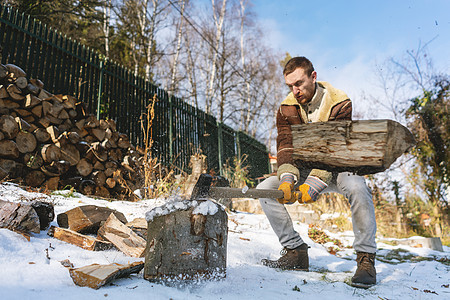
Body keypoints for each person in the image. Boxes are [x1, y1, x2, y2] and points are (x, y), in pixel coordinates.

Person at [257, 56, 377, 289]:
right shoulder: (285, 108)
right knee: (265, 190)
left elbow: (332, 148)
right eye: (290, 85)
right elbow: (286, 147)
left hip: (339, 166)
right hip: (303, 167)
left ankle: (366, 259)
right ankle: (295, 252)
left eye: (299, 83)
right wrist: (287, 180)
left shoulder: (339, 102)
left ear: (313, 77)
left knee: (358, 188)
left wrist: (313, 185)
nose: (295, 90)